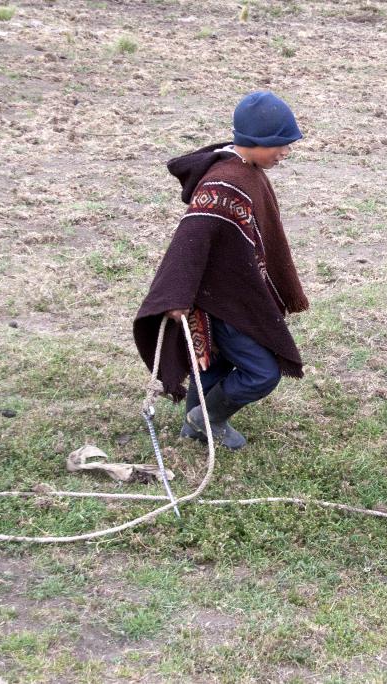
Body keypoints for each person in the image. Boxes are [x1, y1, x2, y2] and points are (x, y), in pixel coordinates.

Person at [133, 91, 310, 450]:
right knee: (262, 373)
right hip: (224, 301)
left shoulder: (248, 171)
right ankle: (206, 418)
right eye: (280, 144)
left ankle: (193, 428)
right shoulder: (223, 183)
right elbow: (190, 239)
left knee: (216, 365)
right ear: (257, 141)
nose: (285, 152)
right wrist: (177, 295)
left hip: (232, 291)